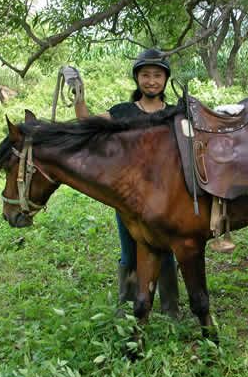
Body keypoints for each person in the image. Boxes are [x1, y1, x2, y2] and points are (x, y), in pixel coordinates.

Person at [73, 48, 180, 318]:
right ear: (137, 79)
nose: (151, 81)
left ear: (165, 79)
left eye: (157, 75)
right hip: (129, 199)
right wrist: (79, 94)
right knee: (130, 252)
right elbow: (87, 122)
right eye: (145, 75)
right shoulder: (123, 112)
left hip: (166, 198)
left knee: (166, 252)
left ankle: (171, 309)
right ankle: (129, 307)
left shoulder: (177, 114)